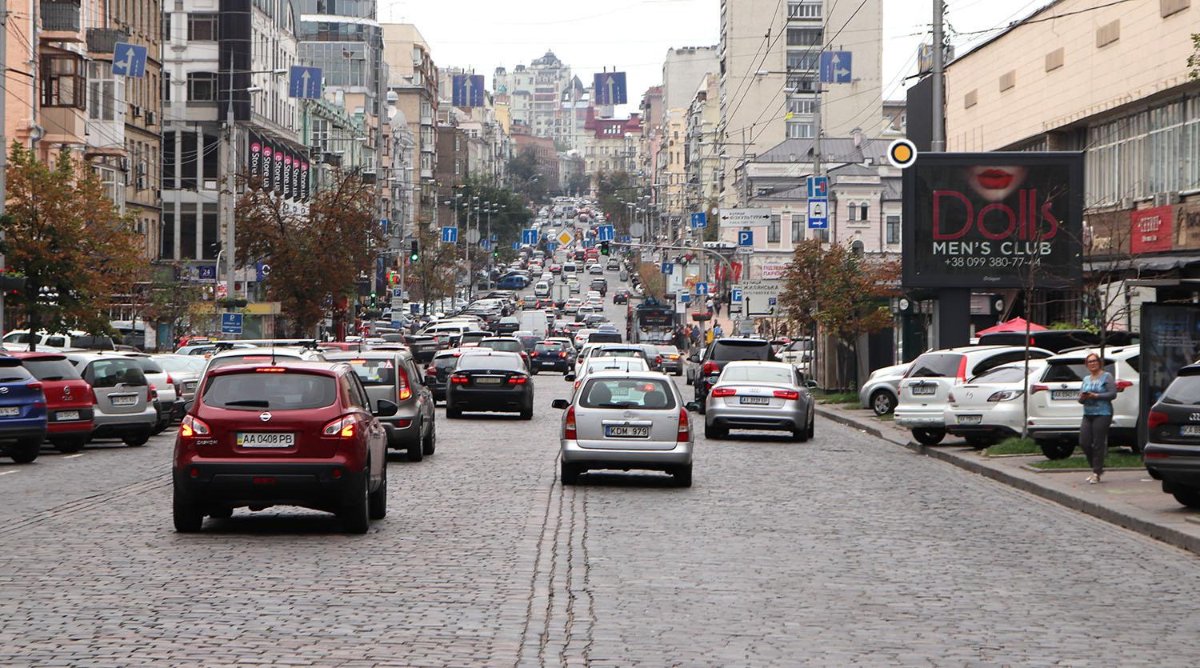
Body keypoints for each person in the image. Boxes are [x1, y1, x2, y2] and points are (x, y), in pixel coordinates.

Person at [1078, 352, 1117, 484]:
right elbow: (1080, 399)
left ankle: (1096, 471)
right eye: (1090, 362)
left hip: (1103, 413)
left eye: (1094, 361)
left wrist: (1097, 396)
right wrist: (1083, 397)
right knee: (1084, 442)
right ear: (1086, 365)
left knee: (1098, 443)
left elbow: (1113, 394)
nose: (1092, 364)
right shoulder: (1086, 379)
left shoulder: (1107, 376)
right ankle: (1096, 468)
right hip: (1088, 413)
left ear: (1099, 363)